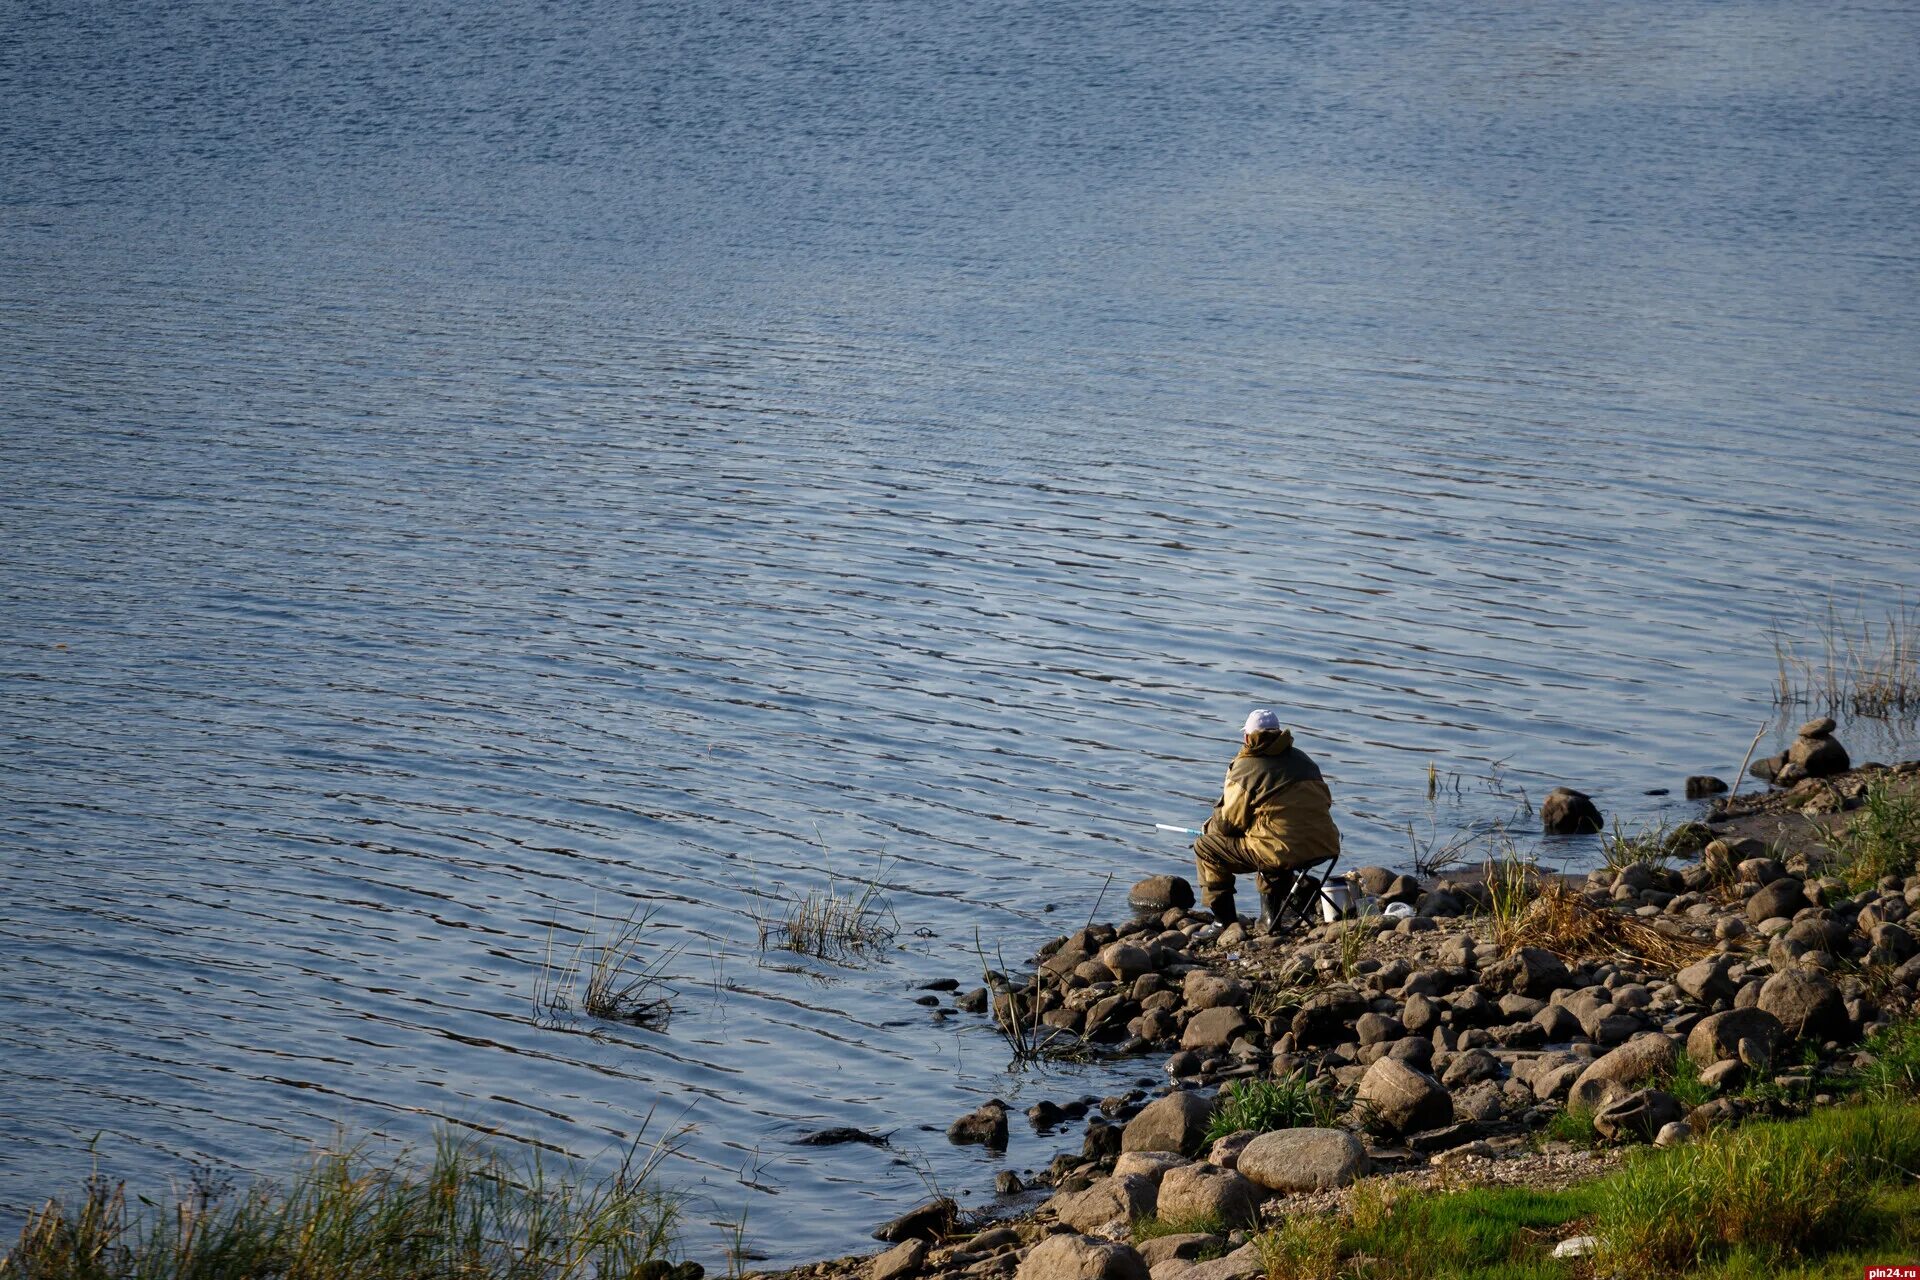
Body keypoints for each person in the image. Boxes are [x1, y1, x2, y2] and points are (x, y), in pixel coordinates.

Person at [1192, 709, 1341, 932]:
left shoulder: (1246, 767)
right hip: (1324, 845)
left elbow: (1228, 824)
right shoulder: (1303, 759)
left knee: (1205, 847)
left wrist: (1209, 828)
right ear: (1280, 733)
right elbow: (1325, 802)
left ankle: (1224, 922)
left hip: (1280, 851)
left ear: (1246, 737)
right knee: (1272, 839)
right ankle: (1283, 905)